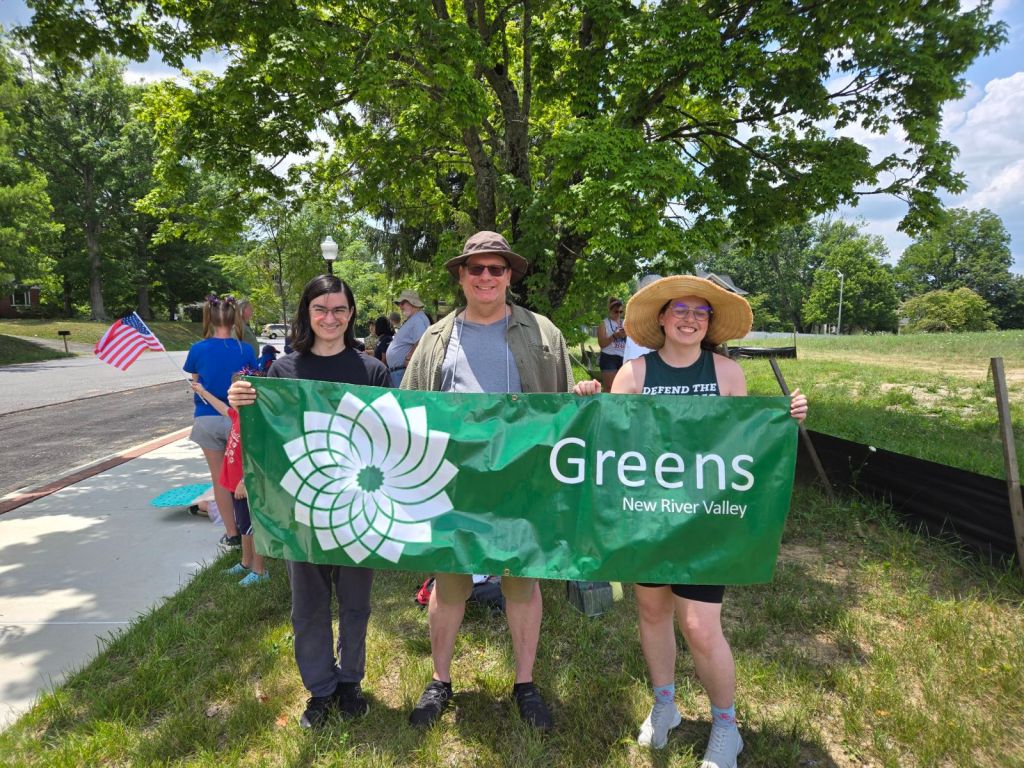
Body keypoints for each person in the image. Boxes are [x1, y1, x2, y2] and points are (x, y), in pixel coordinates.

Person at [402, 230, 599, 733]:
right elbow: (408, 410)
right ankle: (440, 681)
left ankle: (525, 683)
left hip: (522, 480)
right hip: (452, 480)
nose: (486, 277)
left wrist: (583, 394)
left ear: (509, 275)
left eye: (496, 269)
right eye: (476, 269)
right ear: (461, 277)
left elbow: (561, 412)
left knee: (521, 582)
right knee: (450, 583)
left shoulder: (542, 332)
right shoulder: (435, 338)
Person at [612, 275, 807, 766]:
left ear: (710, 323)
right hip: (648, 518)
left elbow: (741, 446)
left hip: (706, 520)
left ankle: (726, 726)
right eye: (680, 308)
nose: (689, 318)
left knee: (699, 625)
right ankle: (665, 706)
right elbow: (609, 446)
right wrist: (591, 397)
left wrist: (784, 419)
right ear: (660, 317)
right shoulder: (634, 374)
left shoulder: (726, 373)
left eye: (701, 312)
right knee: (653, 612)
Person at [227, 275, 389, 729]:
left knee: (356, 601)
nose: (330, 318)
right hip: (304, 509)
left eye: (339, 309)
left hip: (360, 507)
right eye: (321, 309)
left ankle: (350, 681)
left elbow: (393, 437)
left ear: (351, 314)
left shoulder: (372, 370)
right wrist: (242, 398)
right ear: (307, 313)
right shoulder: (283, 372)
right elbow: (267, 436)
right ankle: (319, 690)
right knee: (309, 605)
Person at [184, 294, 257, 551]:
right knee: (243, 475)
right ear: (235, 317)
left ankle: (231, 532)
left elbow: (196, 380)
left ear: (209, 318)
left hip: (207, 418)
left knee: (220, 479)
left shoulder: (197, 349)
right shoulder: (244, 349)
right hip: (239, 419)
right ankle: (251, 528)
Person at [193, 369, 270, 586]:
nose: (231, 395)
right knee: (244, 526)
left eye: (237, 391)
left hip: (247, 485)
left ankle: (260, 570)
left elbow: (257, 456)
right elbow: (222, 408)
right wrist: (202, 392)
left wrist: (246, 480)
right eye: (231, 391)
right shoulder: (238, 415)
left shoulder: (254, 423)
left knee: (254, 529)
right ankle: (246, 563)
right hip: (234, 484)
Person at [386, 289, 430, 387]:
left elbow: (421, 341)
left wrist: (408, 357)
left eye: (403, 303)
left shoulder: (418, 319)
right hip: (400, 372)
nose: (400, 306)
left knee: (402, 402)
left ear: (413, 303)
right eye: (399, 304)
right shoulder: (415, 318)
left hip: (403, 372)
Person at [596, 296, 626, 391]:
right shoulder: (603, 324)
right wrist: (614, 336)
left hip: (624, 357)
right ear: (610, 311)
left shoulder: (625, 323)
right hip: (609, 357)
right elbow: (602, 344)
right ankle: (607, 405)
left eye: (621, 312)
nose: (618, 314)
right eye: (616, 312)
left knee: (622, 388)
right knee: (610, 388)